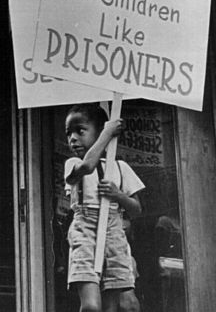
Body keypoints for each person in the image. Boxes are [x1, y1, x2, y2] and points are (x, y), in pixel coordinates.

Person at [64, 104, 144, 312]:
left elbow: (136, 209)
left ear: (98, 132)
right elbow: (87, 167)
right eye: (68, 133)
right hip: (85, 231)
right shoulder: (73, 163)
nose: (72, 138)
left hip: (113, 230)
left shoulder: (120, 167)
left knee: (113, 305)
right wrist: (107, 133)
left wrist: (118, 195)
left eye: (80, 131)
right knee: (91, 306)